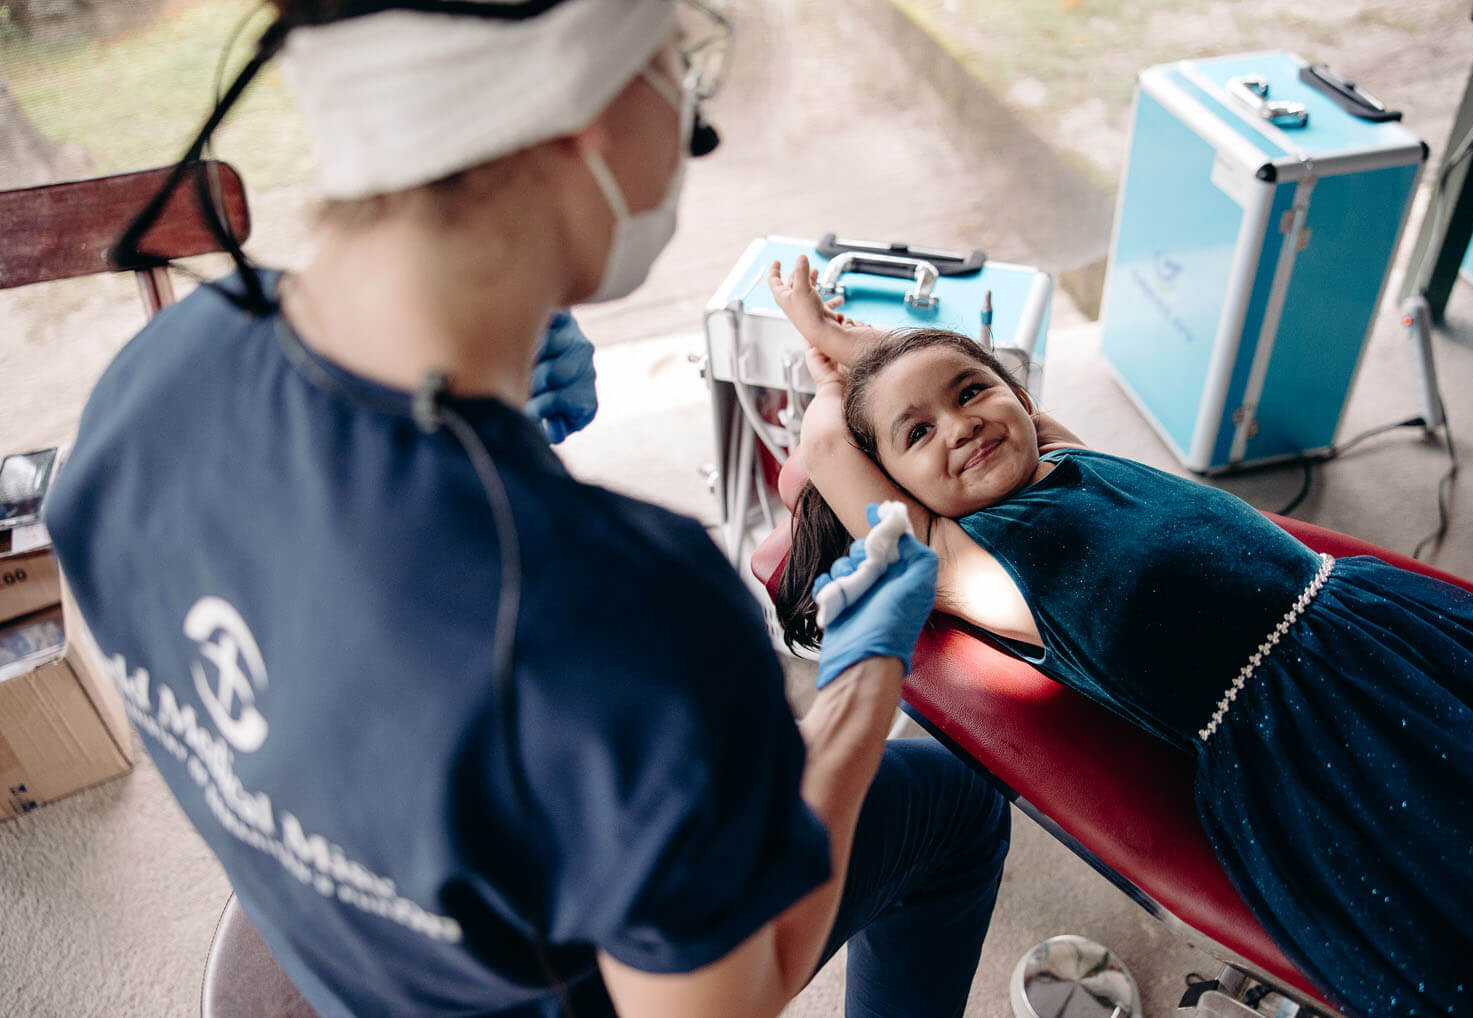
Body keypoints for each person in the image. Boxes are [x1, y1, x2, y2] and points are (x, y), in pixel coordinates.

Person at [41, 5, 1011, 1017]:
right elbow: (719, 1004)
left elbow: (345, 593)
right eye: (678, 63)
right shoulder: (635, 617)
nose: (689, 110)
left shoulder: (146, 383)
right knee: (962, 807)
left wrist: (487, 423)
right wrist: (861, 677)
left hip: (347, 948)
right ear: (580, 108)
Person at [767, 253, 1473, 1018]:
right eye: (917, 434)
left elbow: (953, 370)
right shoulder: (968, 564)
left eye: (972, 396)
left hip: (1367, 623)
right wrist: (821, 354)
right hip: (1310, 729)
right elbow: (832, 450)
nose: (960, 426)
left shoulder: (1063, 455)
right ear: (898, 490)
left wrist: (864, 352)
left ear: (1021, 399)